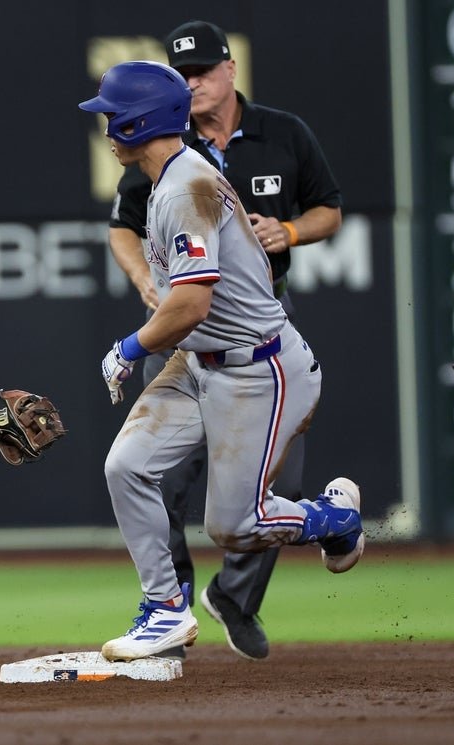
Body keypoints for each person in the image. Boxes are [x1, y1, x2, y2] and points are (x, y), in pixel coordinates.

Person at [79, 60, 364, 662]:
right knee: (126, 467)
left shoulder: (186, 186)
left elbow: (187, 304)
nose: (104, 127)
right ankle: (164, 611)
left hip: (259, 368)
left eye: (110, 116)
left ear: (139, 122)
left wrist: (131, 347)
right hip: (198, 364)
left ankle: (332, 517)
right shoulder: (165, 182)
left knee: (234, 527)